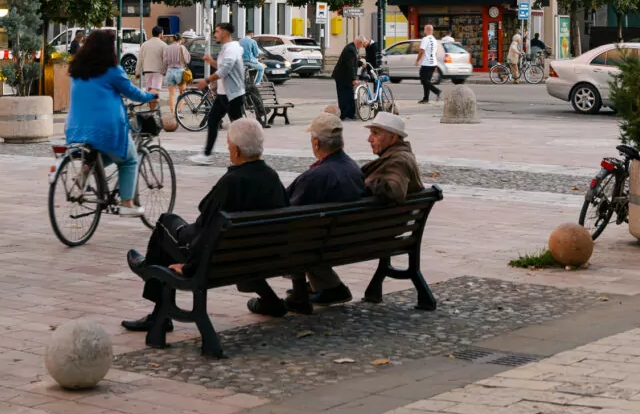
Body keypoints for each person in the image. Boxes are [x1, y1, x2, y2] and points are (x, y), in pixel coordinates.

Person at [122, 118, 289, 334]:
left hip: (214, 257)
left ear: (237, 151)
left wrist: (189, 267)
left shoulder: (232, 182)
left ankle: (154, 295)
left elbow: (208, 230)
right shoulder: (272, 177)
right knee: (173, 223)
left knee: (165, 223)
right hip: (258, 254)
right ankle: (270, 299)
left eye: (229, 146)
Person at [66, 29, 157, 217]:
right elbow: (132, 92)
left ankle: (86, 169)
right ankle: (126, 203)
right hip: (106, 126)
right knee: (129, 160)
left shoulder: (77, 68)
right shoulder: (112, 70)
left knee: (104, 152)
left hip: (76, 125)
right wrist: (150, 95)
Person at [286, 112, 365, 310]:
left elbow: (286, 210)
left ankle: (300, 293)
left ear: (316, 143)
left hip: (318, 243)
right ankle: (330, 286)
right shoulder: (353, 169)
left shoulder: (316, 176)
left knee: (294, 234)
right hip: (349, 240)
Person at [191, 22, 246, 166]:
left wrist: (207, 81)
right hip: (224, 94)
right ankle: (207, 154)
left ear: (225, 33)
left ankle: (245, 155)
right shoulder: (226, 48)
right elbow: (223, 67)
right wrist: (211, 62)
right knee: (213, 120)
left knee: (237, 127)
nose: (215, 34)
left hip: (233, 95)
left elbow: (225, 70)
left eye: (217, 32)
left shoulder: (231, 49)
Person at [363, 111, 423, 204]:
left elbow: (393, 191)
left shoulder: (399, 160)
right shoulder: (398, 156)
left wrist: (363, 183)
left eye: (375, 133)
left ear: (393, 137)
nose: (369, 139)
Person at [332, 36, 364, 119]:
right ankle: (346, 114)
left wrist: (361, 63)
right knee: (345, 96)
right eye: (361, 45)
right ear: (359, 42)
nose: (361, 47)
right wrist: (354, 79)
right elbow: (350, 65)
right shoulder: (350, 49)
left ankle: (347, 114)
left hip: (344, 76)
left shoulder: (352, 48)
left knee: (347, 95)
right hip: (343, 76)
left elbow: (353, 61)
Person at [138, 27, 166, 109]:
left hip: (147, 70)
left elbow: (140, 58)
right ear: (160, 34)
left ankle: (151, 109)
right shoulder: (163, 45)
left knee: (149, 90)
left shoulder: (145, 44)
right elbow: (166, 59)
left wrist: (137, 71)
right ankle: (152, 110)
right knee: (155, 90)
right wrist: (165, 70)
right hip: (158, 71)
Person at [163, 34, 190, 113]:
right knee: (182, 93)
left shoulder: (167, 48)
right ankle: (179, 110)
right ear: (180, 40)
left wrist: (164, 71)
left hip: (170, 71)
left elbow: (165, 61)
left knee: (171, 93)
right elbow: (187, 60)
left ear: (173, 39)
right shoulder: (182, 47)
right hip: (180, 71)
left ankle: (172, 111)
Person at [417, 24, 441, 104]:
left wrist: (417, 60)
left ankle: (437, 91)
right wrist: (436, 64)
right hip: (433, 63)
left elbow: (421, 51)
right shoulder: (434, 40)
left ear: (427, 30)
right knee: (426, 81)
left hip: (426, 64)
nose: (424, 31)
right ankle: (426, 98)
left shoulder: (425, 39)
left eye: (424, 29)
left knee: (424, 80)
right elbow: (435, 53)